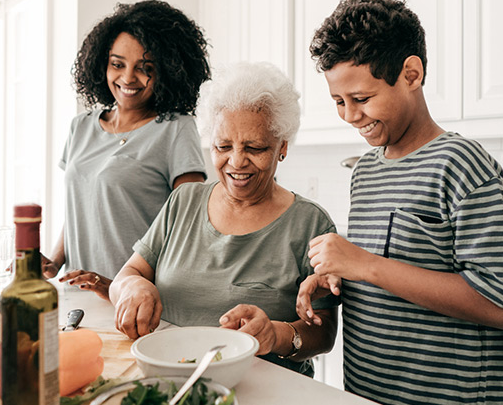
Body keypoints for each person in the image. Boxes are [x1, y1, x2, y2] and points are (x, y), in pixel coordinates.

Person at [296, 0, 503, 404]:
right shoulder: (365, 171)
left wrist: (364, 265)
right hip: (368, 393)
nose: (351, 115)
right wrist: (340, 278)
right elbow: (390, 272)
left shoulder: (462, 165)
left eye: (362, 99)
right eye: (338, 102)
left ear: (411, 74)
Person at [109, 61, 339, 376]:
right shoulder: (183, 201)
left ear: (281, 147)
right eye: (223, 146)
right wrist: (133, 286)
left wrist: (277, 334)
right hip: (172, 381)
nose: (236, 162)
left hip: (266, 391)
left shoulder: (310, 224)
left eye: (255, 147)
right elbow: (128, 273)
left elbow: (324, 334)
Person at [42, 0, 210, 298]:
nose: (128, 78)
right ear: (101, 64)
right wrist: (54, 263)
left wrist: (122, 285)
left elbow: (189, 227)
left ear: (169, 70)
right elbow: (81, 206)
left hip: (138, 300)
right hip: (77, 294)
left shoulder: (176, 129)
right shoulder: (80, 127)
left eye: (145, 68)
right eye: (117, 64)